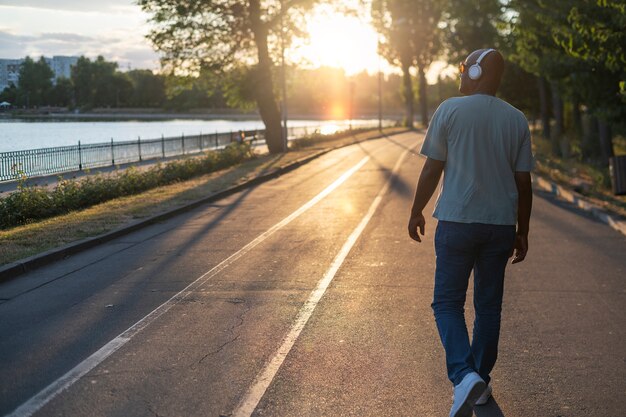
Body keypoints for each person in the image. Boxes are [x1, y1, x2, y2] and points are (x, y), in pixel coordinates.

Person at [407, 48, 533, 417]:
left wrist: (416, 209)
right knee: (488, 308)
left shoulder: (449, 110)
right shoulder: (516, 119)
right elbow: (523, 183)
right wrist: (522, 231)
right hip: (499, 227)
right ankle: (478, 380)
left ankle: (464, 374)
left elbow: (433, 169)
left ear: (477, 72)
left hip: (457, 223)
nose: (459, 75)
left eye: (463, 68)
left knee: (446, 303)